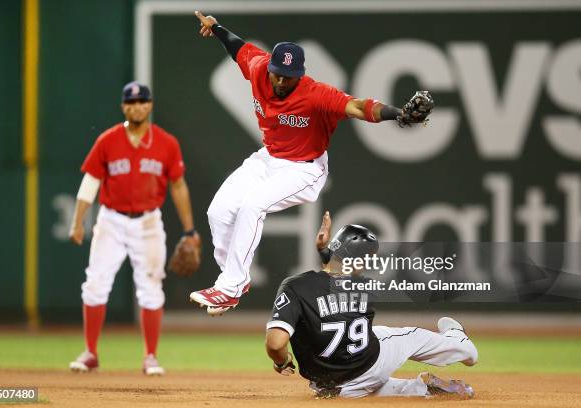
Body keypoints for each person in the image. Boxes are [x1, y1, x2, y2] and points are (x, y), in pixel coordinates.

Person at [189, 11, 433, 315]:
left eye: (287, 76)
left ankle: (229, 287)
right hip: (267, 158)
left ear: (300, 74)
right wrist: (217, 28)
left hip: (305, 168)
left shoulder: (315, 95)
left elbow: (359, 106)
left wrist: (399, 114)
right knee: (219, 210)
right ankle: (234, 280)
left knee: (253, 206)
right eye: (277, 72)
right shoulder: (259, 67)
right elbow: (238, 47)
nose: (279, 79)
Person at [264, 212, 478, 398]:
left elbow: (275, 344)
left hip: (330, 387)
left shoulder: (295, 286)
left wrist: (282, 362)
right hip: (370, 363)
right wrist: (324, 251)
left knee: (358, 340)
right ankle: (462, 345)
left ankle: (419, 389)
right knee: (412, 336)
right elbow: (342, 276)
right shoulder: (366, 287)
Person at [68, 81, 200, 375]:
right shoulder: (108, 140)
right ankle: (91, 352)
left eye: (142, 101)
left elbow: (178, 185)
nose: (137, 106)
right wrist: (77, 221)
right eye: (131, 102)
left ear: (150, 106)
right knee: (95, 284)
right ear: (123, 107)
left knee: (151, 288)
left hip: (148, 221)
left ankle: (150, 356)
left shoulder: (166, 143)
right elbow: (90, 182)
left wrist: (190, 231)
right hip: (111, 220)